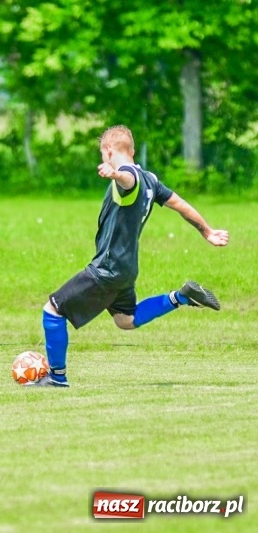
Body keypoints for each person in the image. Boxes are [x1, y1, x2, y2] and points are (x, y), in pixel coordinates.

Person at [29, 125, 229, 387]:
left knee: (53, 310)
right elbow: (180, 204)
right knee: (126, 320)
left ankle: (57, 378)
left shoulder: (128, 176)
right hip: (126, 269)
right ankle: (180, 297)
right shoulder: (151, 180)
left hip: (107, 269)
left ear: (109, 151)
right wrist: (207, 230)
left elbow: (126, 180)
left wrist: (114, 173)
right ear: (132, 150)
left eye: (103, 154)